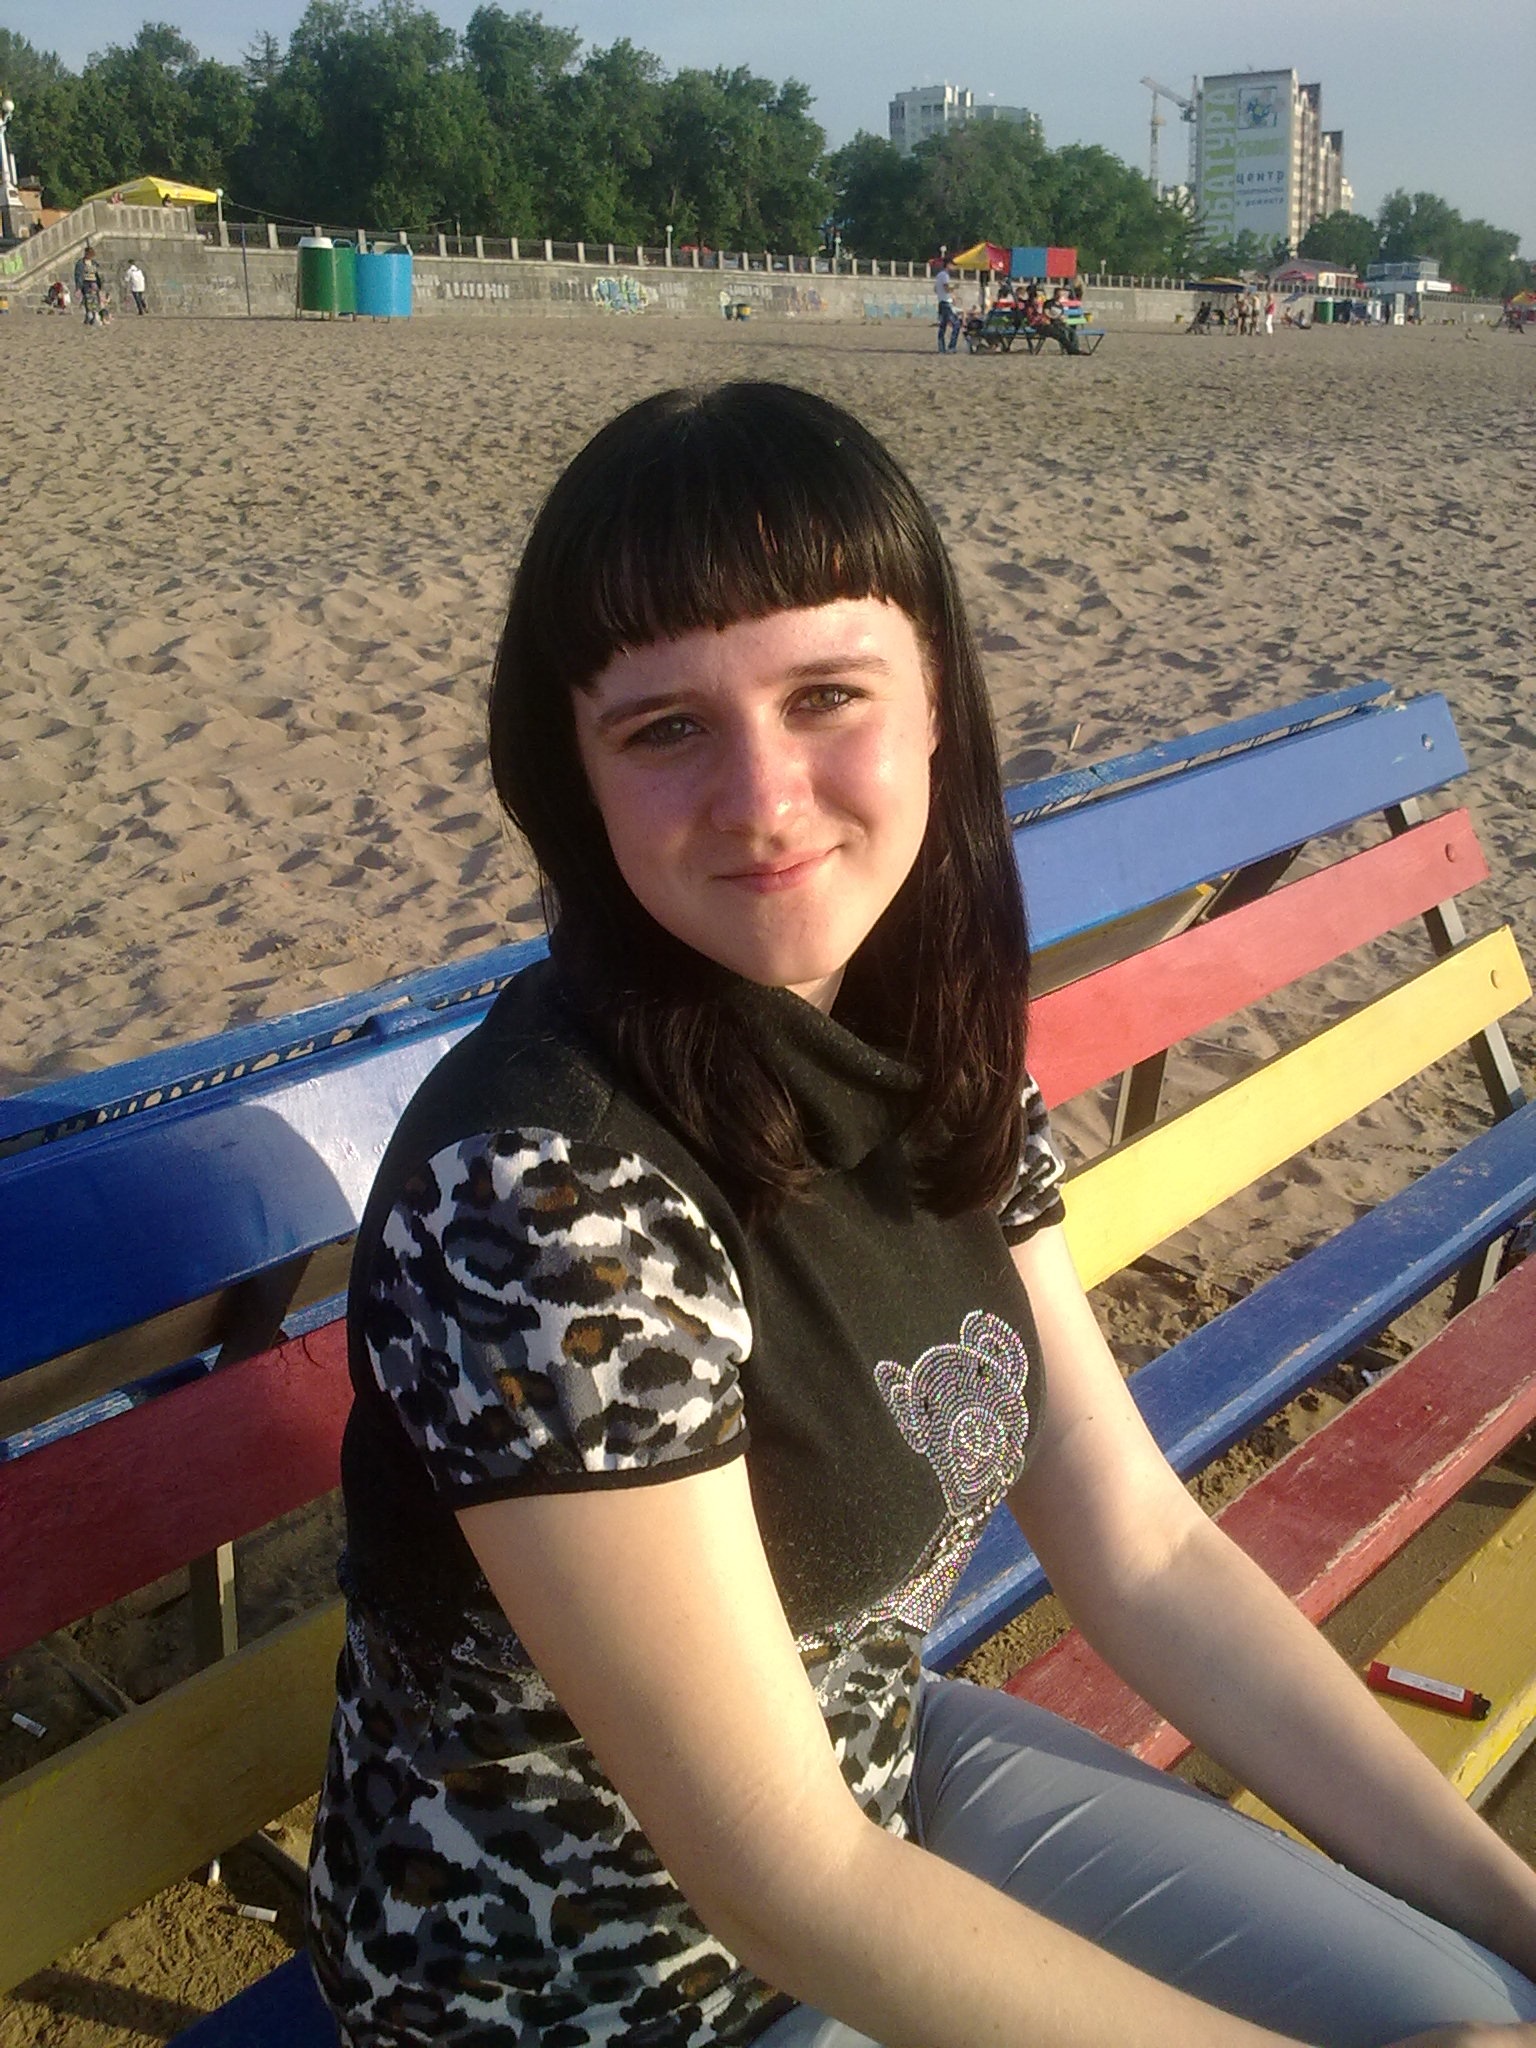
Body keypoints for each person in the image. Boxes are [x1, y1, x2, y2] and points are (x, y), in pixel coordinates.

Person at [306, 379, 1536, 2048]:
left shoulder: (932, 1060)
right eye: (664, 729)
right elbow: (780, 1878)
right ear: (572, 774)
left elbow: (1144, 1547)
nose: (762, 795)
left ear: (936, 702)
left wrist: (1513, 1909)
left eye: (825, 695)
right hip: (612, 1992)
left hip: (882, 1772)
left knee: (1471, 1993)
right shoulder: (544, 1201)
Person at [932, 260, 959, 352]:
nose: (954, 268)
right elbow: (946, 289)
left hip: (941, 302)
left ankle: (941, 347)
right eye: (953, 265)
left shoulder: (939, 275)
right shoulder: (945, 275)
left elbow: (935, 289)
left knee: (942, 326)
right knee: (956, 324)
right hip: (946, 303)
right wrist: (954, 287)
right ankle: (952, 346)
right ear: (948, 265)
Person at [73, 244, 104, 327]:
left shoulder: (94, 263)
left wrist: (98, 284)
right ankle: (89, 315)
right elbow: (78, 275)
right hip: (86, 283)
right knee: (88, 299)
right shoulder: (80, 263)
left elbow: (97, 274)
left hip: (93, 282)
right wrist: (78, 288)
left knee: (94, 299)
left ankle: (94, 315)